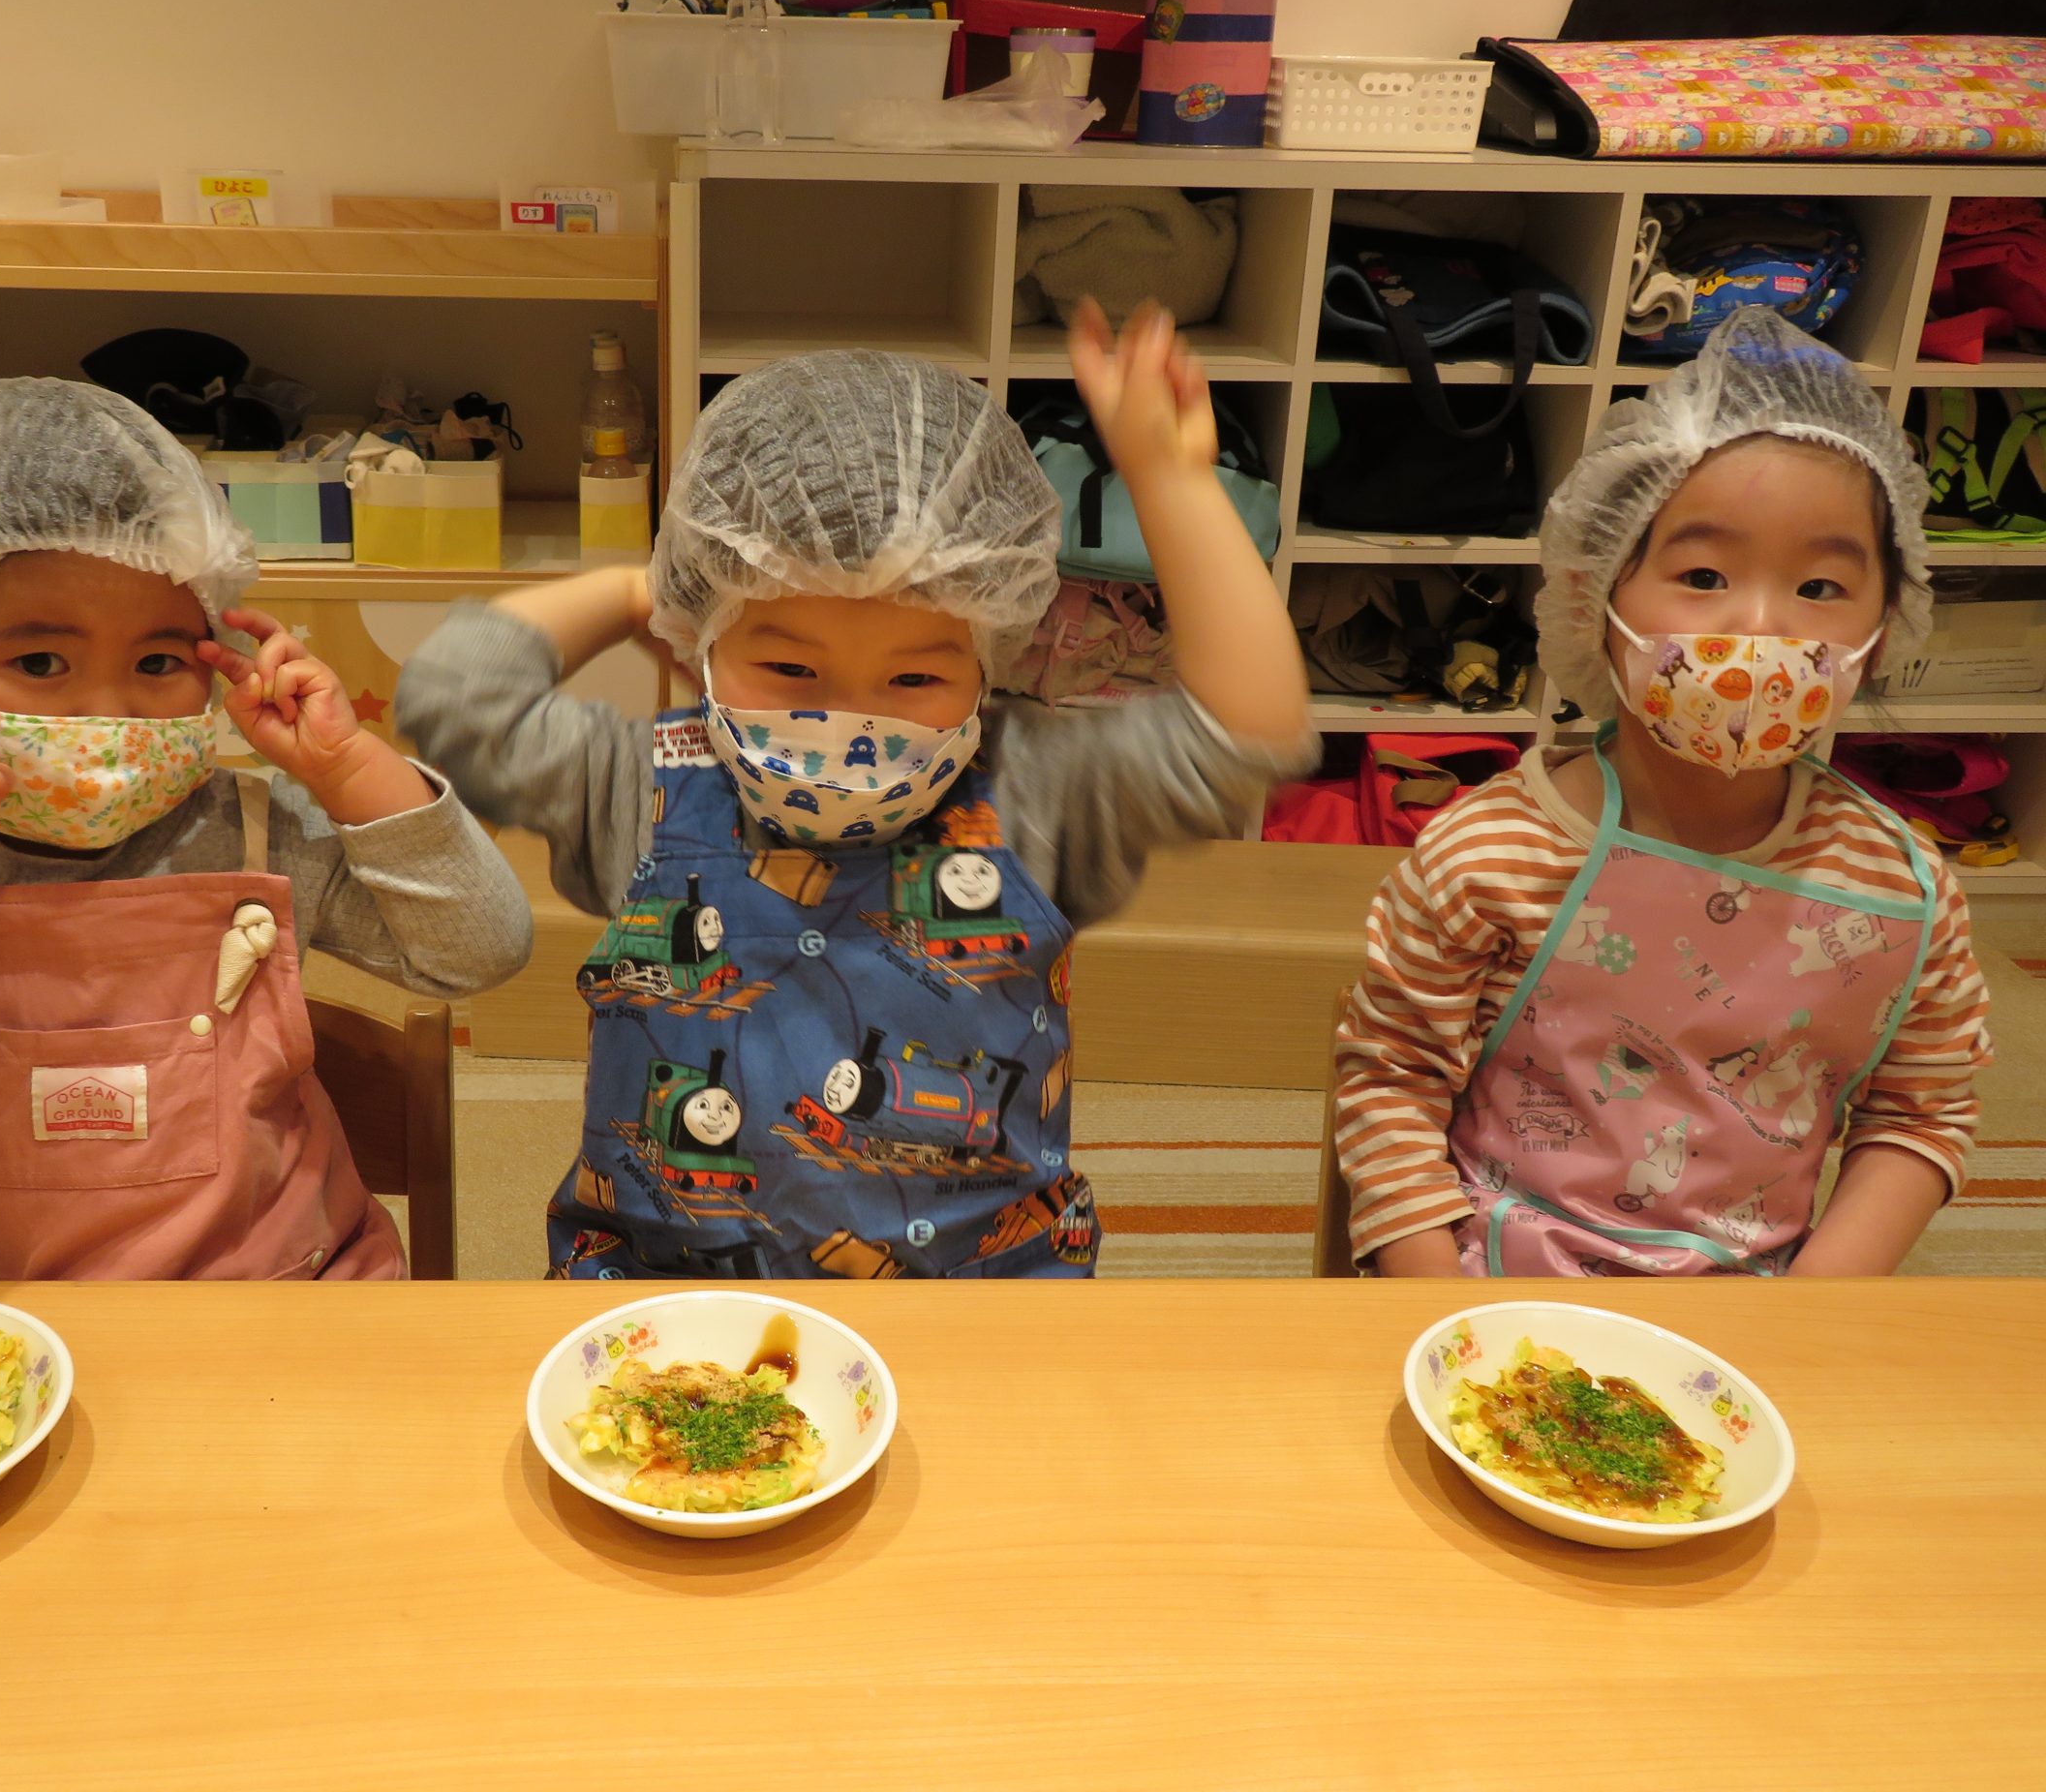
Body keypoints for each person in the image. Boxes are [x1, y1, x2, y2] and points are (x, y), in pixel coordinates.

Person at [399, 309, 1316, 1278]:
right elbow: (454, 695)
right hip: (666, 1294)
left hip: (982, 1294)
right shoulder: (642, 786)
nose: (850, 719)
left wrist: (1173, 482)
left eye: (914, 678)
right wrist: (643, 591)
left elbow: (1248, 731)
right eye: (790, 670)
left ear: (990, 658)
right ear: (703, 641)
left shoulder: (1039, 792)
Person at [0, 379, 532, 1278]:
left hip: (277, 1295)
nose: (107, 710)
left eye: (158, 661)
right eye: (40, 661)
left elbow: (479, 953)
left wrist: (349, 771)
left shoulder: (262, 834)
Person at [1335, 309, 1993, 1277]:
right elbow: (1390, 1080)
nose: (1760, 627)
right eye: (1703, 574)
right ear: (1592, 597)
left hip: (1757, 1314)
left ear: (1883, 628)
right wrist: (1441, 1318)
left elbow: (1920, 1113)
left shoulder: (1904, 891)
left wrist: (1811, 1316)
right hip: (1494, 1287)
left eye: (1819, 588)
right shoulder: (1489, 855)